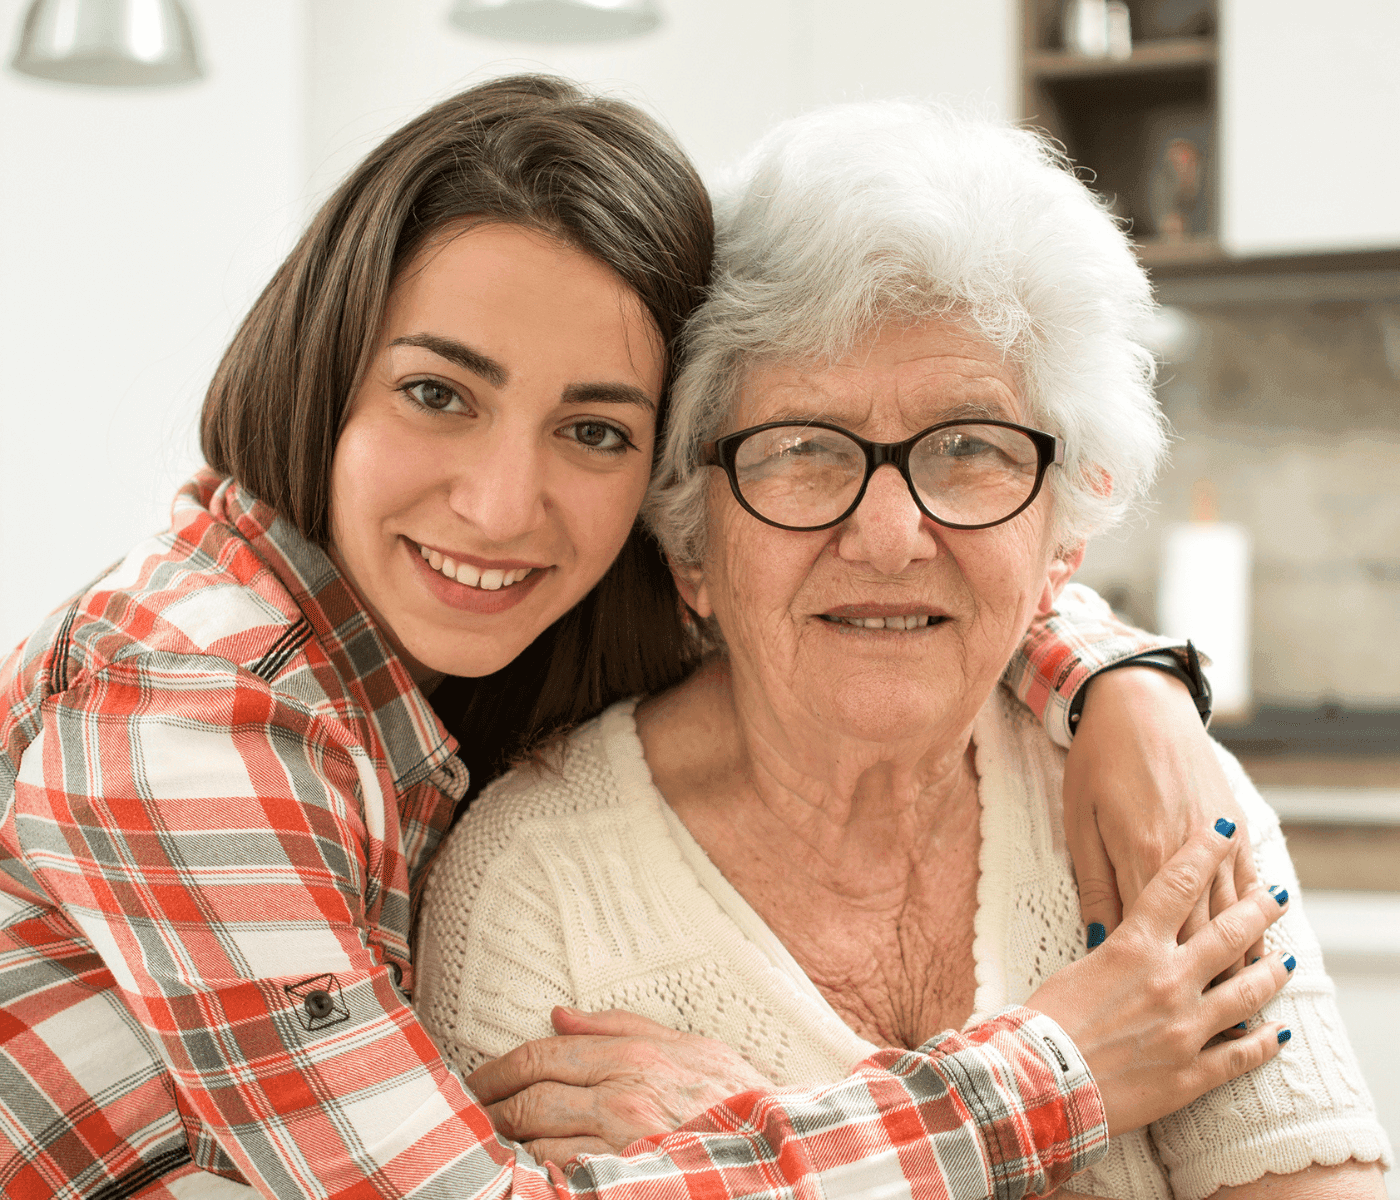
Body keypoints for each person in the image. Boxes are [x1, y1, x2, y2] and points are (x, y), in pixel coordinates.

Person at [0, 74, 1264, 1200]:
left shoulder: (490, 628)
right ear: (324, 368)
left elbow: (911, 571)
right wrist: (1059, 1073)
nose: (502, 505)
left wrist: (1115, 678)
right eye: (437, 393)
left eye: (594, 430)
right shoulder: (184, 710)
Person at [415, 101, 1393, 1197]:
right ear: (691, 540)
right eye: (800, 450)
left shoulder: (1160, 810)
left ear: (1059, 533)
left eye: (967, 445)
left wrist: (752, 1142)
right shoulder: (534, 893)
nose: (887, 536)